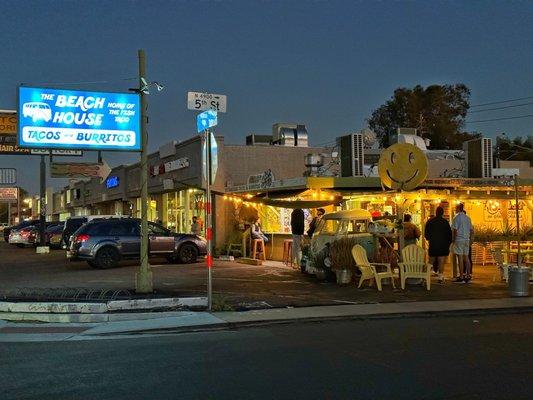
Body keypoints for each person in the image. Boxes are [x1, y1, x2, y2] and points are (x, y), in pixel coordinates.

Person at [424, 206, 453, 284]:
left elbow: (426, 233)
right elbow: (449, 234)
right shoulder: (445, 222)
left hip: (433, 243)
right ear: (442, 213)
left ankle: (425, 277)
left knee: (430, 261)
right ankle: (440, 277)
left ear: (435, 212)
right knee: (441, 261)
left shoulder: (430, 221)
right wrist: (448, 243)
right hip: (443, 244)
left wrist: (429, 239)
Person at [451, 203, 474, 283]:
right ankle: (468, 276)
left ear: (458, 208)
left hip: (459, 239)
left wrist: (453, 240)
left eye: (455, 208)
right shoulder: (468, 218)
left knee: (460, 258)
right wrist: (470, 239)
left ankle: (461, 277)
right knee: (466, 258)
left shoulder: (456, 218)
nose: (454, 209)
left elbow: (454, 230)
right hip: (466, 240)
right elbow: (471, 230)